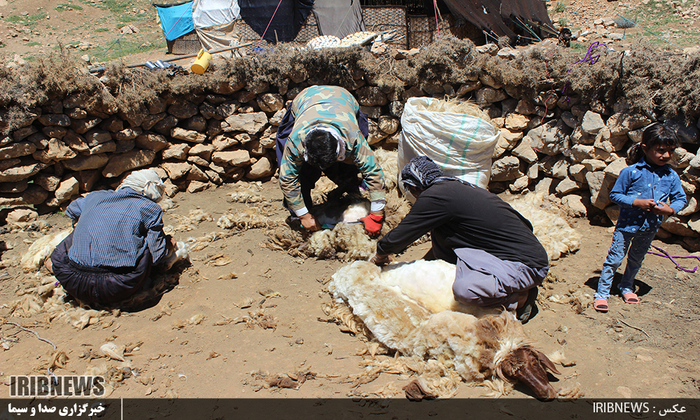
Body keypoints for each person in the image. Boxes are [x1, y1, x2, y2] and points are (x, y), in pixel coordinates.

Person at [371, 156, 549, 323]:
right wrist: (422, 268)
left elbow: (402, 234)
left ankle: (521, 298)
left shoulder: (435, 196)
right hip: (519, 254)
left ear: (414, 187)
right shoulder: (456, 188)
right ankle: (508, 286)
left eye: (410, 190)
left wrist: (380, 255)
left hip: (526, 264)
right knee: (442, 234)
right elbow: (525, 224)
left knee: (465, 290)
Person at [594, 123, 687, 312]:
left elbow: (680, 198)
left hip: (649, 228)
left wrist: (669, 210)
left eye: (670, 151)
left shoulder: (671, 175)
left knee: (636, 259)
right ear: (645, 148)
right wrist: (638, 202)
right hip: (626, 226)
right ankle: (602, 293)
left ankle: (626, 286)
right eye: (661, 150)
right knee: (615, 258)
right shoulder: (631, 172)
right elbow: (615, 195)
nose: (666, 156)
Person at [47, 169, 176, 306]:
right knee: (145, 242)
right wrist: (167, 244)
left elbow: (72, 210)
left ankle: (51, 264)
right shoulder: (150, 209)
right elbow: (156, 256)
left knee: (76, 232)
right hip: (118, 287)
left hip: (72, 281)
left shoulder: (96, 196)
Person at [275, 85, 387, 237]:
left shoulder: (353, 138)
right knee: (301, 173)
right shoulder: (295, 142)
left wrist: (376, 215)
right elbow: (287, 179)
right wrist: (303, 215)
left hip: (343, 99)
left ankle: (351, 195)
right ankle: (301, 214)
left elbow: (373, 172)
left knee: (350, 165)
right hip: (305, 100)